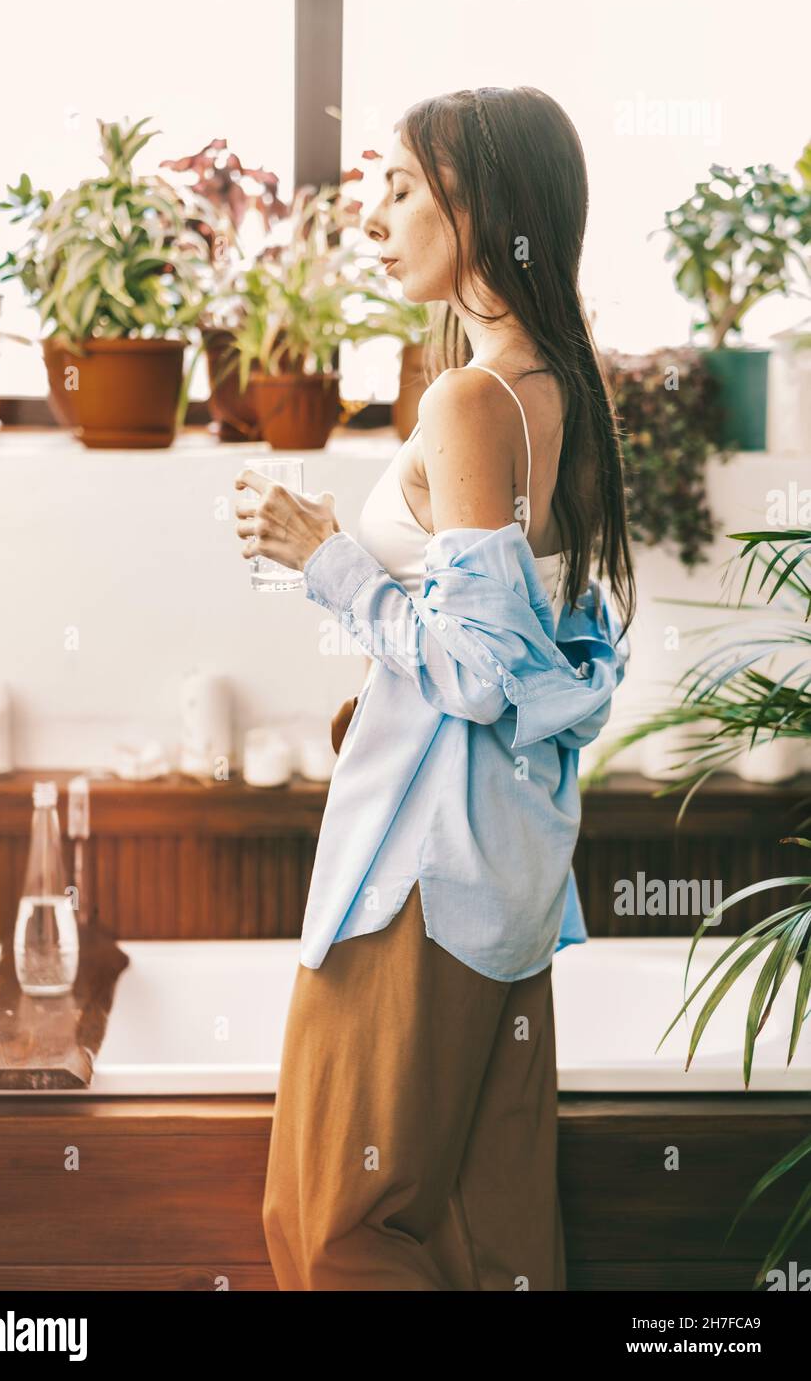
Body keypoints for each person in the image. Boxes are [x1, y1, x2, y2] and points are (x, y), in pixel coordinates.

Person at [234, 84, 635, 1291]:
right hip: (501, 875)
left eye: (403, 185)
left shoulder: (472, 399)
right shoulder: (558, 385)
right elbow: (538, 653)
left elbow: (474, 668)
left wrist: (327, 559)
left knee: (338, 1223)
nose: (375, 215)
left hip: (420, 870)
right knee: (482, 1232)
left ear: (486, 205)